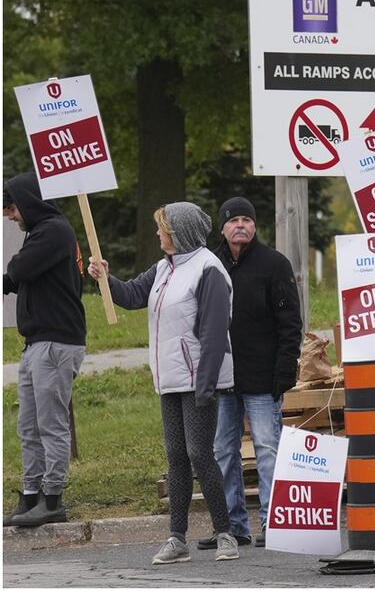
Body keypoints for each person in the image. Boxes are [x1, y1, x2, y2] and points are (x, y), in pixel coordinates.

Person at [88, 203, 238, 565]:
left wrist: (205, 387)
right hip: (169, 380)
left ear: (179, 232)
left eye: (162, 228)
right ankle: (177, 538)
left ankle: (225, 534)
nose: (157, 234)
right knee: (176, 457)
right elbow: (132, 296)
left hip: (198, 380)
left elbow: (215, 333)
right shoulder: (163, 268)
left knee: (199, 454)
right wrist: (104, 278)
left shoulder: (208, 269)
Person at [193, 197, 301, 551]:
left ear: (255, 226)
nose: (241, 225)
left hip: (262, 378)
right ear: (222, 227)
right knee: (223, 451)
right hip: (222, 378)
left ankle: (273, 523)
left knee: (268, 449)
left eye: (247, 219)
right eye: (233, 220)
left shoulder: (274, 264)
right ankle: (232, 526)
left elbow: (290, 323)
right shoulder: (208, 263)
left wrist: (286, 368)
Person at [2, 173, 86, 528]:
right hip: (37, 343)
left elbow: (19, 269)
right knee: (29, 426)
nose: (10, 216)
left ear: (28, 202)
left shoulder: (53, 231)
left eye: (12, 208)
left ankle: (53, 499)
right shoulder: (40, 234)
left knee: (50, 426)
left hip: (55, 343)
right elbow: (12, 279)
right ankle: (31, 495)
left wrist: (12, 272)